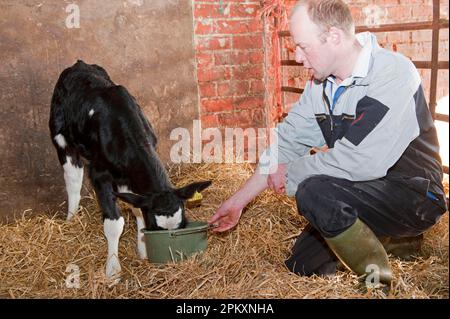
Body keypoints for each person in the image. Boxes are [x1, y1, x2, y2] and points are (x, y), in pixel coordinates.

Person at [208, 0, 448, 287]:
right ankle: (391, 242)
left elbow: (360, 161)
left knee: (313, 190)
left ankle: (378, 283)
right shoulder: (322, 86)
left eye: (303, 46)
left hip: (414, 194)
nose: (297, 57)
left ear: (334, 37)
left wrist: (293, 172)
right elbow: (287, 141)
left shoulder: (390, 73)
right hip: (363, 190)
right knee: (300, 266)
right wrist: (236, 203)